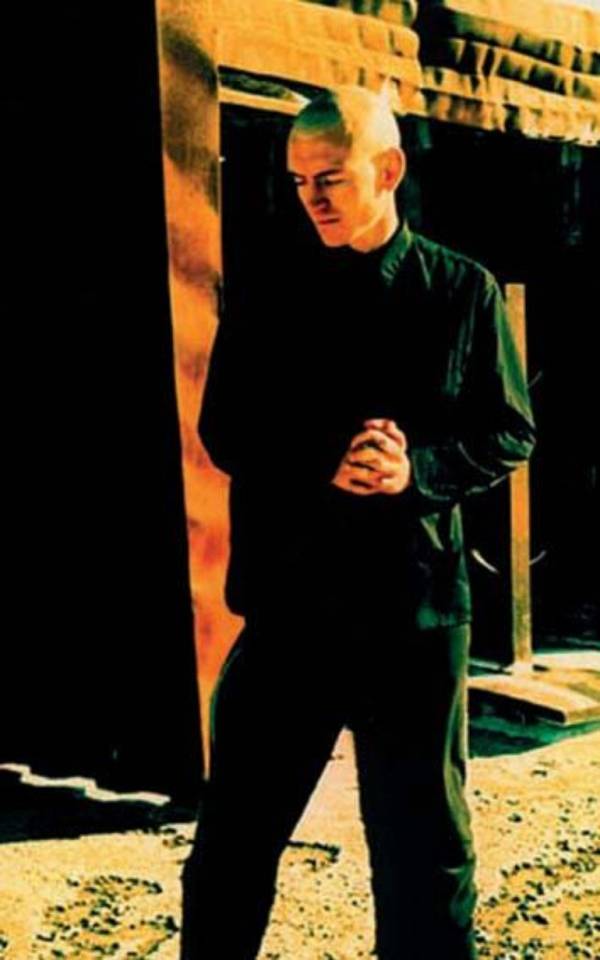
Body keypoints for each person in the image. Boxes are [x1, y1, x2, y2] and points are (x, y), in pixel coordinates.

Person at [180, 85, 536, 960]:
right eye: (300, 181)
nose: (313, 198)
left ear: (388, 170)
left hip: (414, 613)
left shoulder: (462, 290)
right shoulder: (268, 291)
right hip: (291, 607)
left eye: (331, 178)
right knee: (233, 840)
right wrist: (321, 461)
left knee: (425, 850)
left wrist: (419, 471)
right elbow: (224, 427)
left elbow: (508, 429)